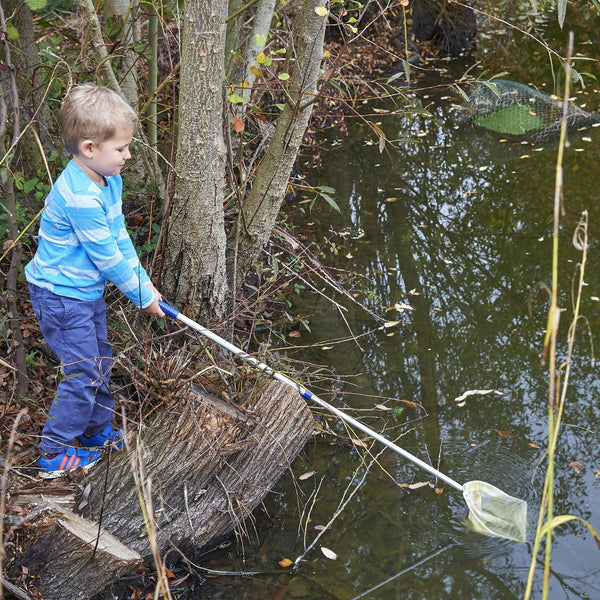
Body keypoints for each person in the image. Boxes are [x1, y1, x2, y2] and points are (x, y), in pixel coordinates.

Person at [25, 84, 165, 479]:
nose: (128, 155)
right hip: (60, 297)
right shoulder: (80, 199)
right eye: (121, 149)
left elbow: (119, 238)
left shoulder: (108, 180)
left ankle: (95, 433)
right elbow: (105, 257)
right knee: (84, 370)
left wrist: (144, 283)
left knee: (101, 361)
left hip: (84, 293)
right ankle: (53, 453)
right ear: (89, 148)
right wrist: (142, 299)